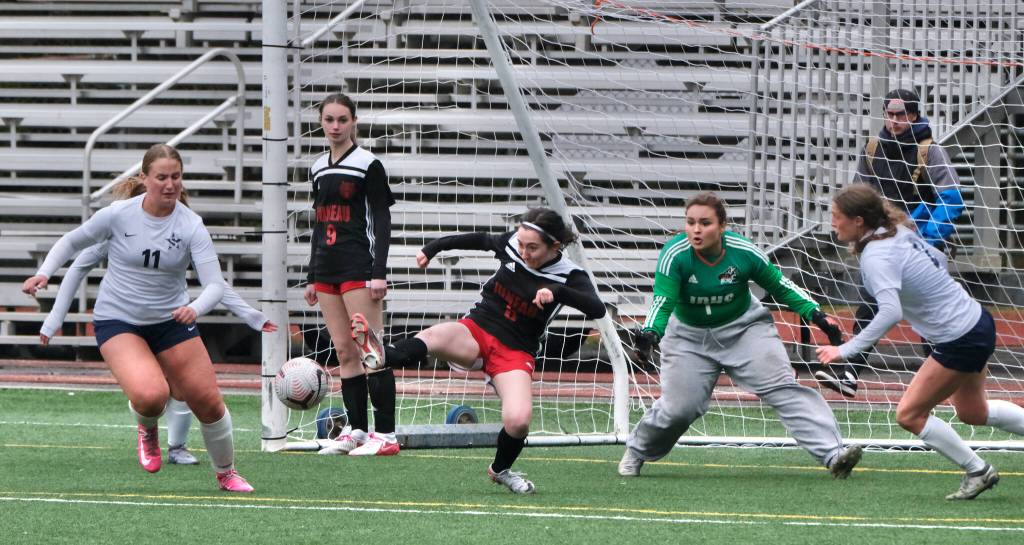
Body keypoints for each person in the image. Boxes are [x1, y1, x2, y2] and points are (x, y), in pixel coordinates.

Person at [21, 143, 254, 492]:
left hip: (171, 321)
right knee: (151, 395)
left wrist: (196, 308)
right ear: (144, 178)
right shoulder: (118, 215)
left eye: (176, 177)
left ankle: (227, 473)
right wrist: (44, 274)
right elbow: (71, 243)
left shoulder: (191, 225)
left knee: (207, 401)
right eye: (161, 177)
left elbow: (215, 285)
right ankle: (147, 429)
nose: (170, 184)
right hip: (119, 320)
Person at [618, 192, 863, 479]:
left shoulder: (743, 251)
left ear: (722, 226)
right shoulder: (675, 255)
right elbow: (663, 300)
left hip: (745, 330)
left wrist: (816, 314)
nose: (696, 230)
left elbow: (780, 285)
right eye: (691, 222)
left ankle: (834, 455)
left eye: (705, 223)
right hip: (688, 338)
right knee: (679, 410)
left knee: (783, 387)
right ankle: (637, 451)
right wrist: (650, 332)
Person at [364, 207, 606, 494]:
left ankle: (500, 469)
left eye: (532, 248)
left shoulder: (569, 274)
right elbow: (479, 239)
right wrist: (434, 247)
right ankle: (381, 356)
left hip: (515, 352)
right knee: (434, 336)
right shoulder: (512, 245)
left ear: (554, 246)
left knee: (518, 421)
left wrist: (558, 291)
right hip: (476, 331)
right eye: (521, 244)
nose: (524, 252)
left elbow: (597, 308)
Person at [818, 184, 1024, 499]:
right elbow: (938, 259)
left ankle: (978, 471)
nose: (832, 222)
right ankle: (978, 471)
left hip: (961, 337)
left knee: (909, 415)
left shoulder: (877, 254)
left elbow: (890, 312)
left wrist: (846, 350)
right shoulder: (896, 231)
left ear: (858, 221)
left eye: (836, 216)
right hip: (976, 322)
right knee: (973, 412)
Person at [816, 88, 965, 398]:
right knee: (869, 307)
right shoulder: (873, 149)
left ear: (914, 115)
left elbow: (951, 199)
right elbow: (860, 196)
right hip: (883, 244)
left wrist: (927, 238)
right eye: (890, 114)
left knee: (927, 317)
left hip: (918, 248)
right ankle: (850, 373)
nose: (895, 120)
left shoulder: (930, 152)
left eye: (902, 115)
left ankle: (945, 380)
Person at [303, 93, 399, 457]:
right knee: (344, 352)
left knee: (371, 349)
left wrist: (379, 272)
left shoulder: (367, 164)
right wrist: (311, 275)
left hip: (359, 266)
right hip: (327, 270)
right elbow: (319, 224)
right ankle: (356, 430)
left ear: (354, 122)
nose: (335, 126)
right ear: (321, 122)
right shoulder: (317, 167)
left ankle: (386, 434)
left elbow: (381, 219)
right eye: (329, 119)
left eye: (342, 119)